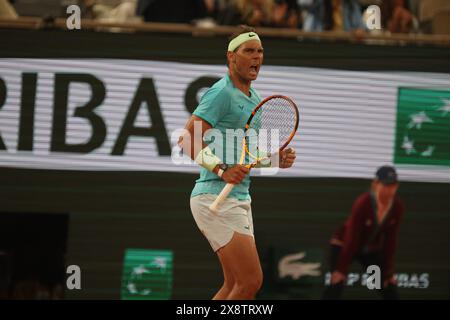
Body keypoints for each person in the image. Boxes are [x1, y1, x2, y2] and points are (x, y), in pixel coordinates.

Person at [178, 25, 296, 300]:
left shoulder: (255, 99)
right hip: (213, 197)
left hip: (239, 198)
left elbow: (247, 157)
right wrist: (222, 169)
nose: (257, 57)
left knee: (235, 285)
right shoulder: (221, 92)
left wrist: (275, 160)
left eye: (260, 51)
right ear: (232, 57)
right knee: (251, 281)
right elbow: (186, 140)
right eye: (249, 51)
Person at [322, 165, 404, 300]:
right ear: (375, 184)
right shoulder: (363, 203)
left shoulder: (397, 207)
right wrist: (341, 269)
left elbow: (390, 240)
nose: (389, 190)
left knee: (385, 284)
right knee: (337, 281)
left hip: (368, 249)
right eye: (385, 185)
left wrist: (388, 272)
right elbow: (352, 237)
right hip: (344, 244)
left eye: (393, 186)